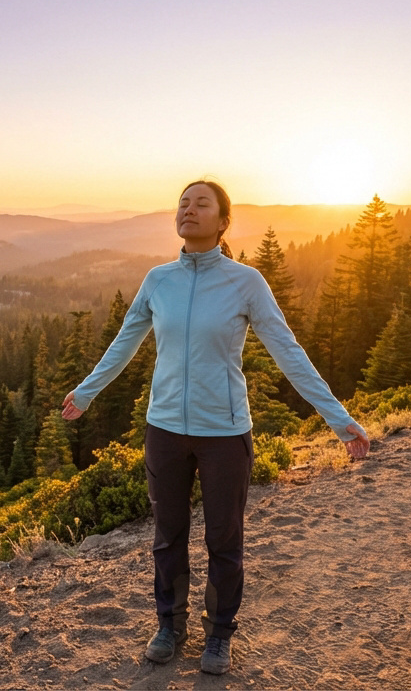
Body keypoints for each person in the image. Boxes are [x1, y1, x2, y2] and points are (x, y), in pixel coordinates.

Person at [61, 178, 370, 675]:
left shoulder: (246, 282)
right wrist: (86, 391)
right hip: (164, 429)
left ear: (224, 221)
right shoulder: (158, 280)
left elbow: (288, 352)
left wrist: (338, 418)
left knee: (224, 539)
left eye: (202, 204)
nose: (189, 209)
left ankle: (220, 633)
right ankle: (170, 625)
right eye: (183, 203)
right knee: (168, 536)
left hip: (225, 434)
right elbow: (124, 342)